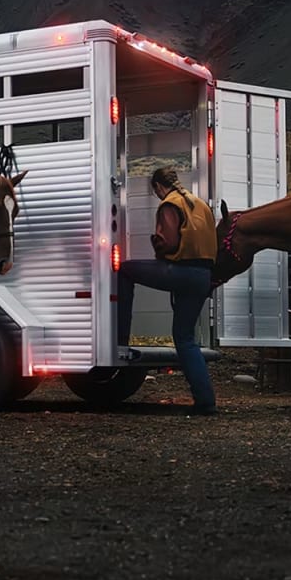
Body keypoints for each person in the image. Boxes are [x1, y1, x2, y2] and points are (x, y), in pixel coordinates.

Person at [117, 167, 218, 415]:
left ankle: (120, 339)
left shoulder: (170, 205)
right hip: (203, 276)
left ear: (159, 187)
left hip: (180, 271)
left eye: (156, 191)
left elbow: (168, 242)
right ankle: (205, 402)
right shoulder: (200, 204)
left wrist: (156, 243)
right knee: (184, 339)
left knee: (125, 270)